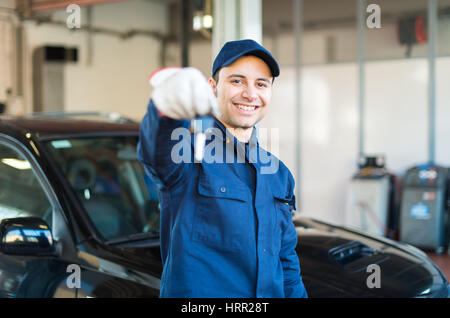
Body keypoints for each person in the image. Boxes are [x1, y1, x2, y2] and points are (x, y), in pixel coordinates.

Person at [138, 39, 308, 298]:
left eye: (261, 84)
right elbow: (155, 151)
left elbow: (286, 260)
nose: (250, 94)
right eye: (237, 81)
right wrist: (168, 107)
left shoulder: (279, 174)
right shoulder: (188, 155)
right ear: (213, 87)